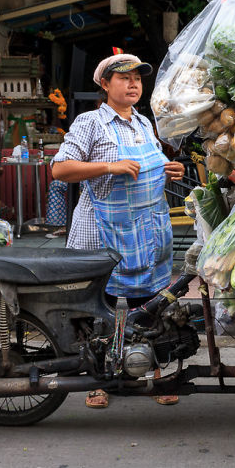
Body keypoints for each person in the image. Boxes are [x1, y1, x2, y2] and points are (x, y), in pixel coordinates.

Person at [50, 53, 185, 409]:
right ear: (105, 85)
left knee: (152, 305)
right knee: (103, 309)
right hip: (102, 231)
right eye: (123, 78)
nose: (133, 83)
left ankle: (156, 376)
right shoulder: (90, 123)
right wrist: (109, 165)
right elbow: (60, 169)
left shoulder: (143, 123)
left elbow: (150, 167)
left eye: (137, 78)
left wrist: (171, 170)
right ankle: (99, 382)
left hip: (147, 230)